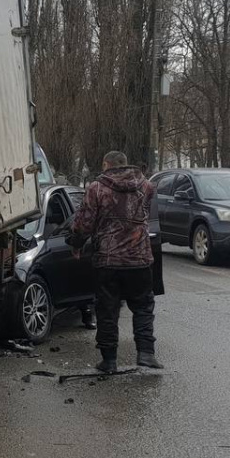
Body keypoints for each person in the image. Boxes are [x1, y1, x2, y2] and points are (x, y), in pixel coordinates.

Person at [68, 150, 161, 373]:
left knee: (107, 310)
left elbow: (85, 222)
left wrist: (77, 243)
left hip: (108, 260)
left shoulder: (96, 188)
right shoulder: (146, 186)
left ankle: (109, 360)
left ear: (105, 164)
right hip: (139, 259)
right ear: (126, 164)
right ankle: (146, 354)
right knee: (143, 307)